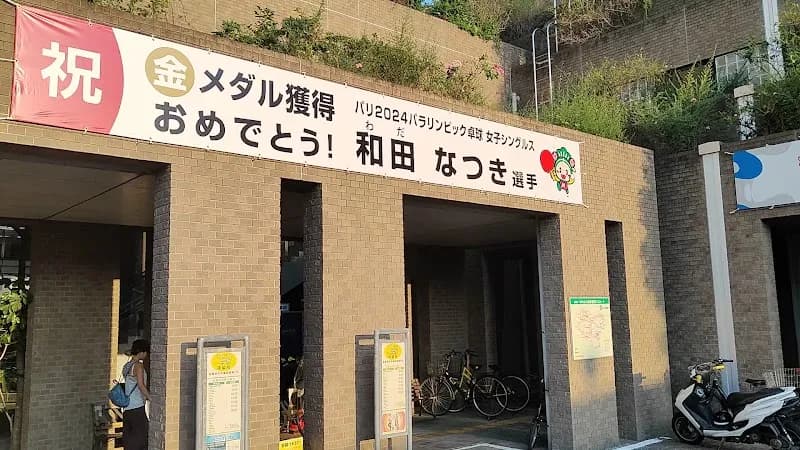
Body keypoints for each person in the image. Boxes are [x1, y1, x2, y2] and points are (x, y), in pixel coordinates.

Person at [122, 339, 151, 450]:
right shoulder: (138, 366)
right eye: (146, 352)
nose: (146, 355)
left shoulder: (127, 365)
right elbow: (141, 385)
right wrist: (151, 398)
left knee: (129, 440)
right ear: (142, 352)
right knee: (142, 439)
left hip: (127, 408)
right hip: (137, 407)